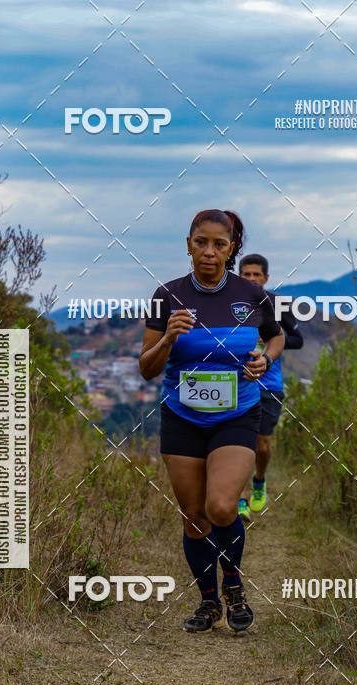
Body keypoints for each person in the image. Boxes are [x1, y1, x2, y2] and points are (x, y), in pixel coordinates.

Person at [139, 211, 285, 634]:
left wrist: (266, 359)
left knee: (221, 507)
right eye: (201, 242)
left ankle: (233, 585)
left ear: (231, 249)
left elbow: (276, 335)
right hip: (182, 417)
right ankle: (208, 602)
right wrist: (168, 338)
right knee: (194, 517)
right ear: (188, 244)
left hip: (237, 414)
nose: (209, 251)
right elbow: (146, 369)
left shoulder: (252, 294)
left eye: (219, 244)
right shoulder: (166, 296)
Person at [237, 253, 304, 523]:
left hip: (269, 385)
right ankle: (241, 499)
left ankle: (259, 481)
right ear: (239, 276)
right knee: (240, 444)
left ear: (266, 278)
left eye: (257, 274)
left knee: (262, 446)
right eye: (246, 274)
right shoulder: (231, 302)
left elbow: (298, 339)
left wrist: (271, 341)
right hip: (237, 382)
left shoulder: (277, 304)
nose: (252, 279)